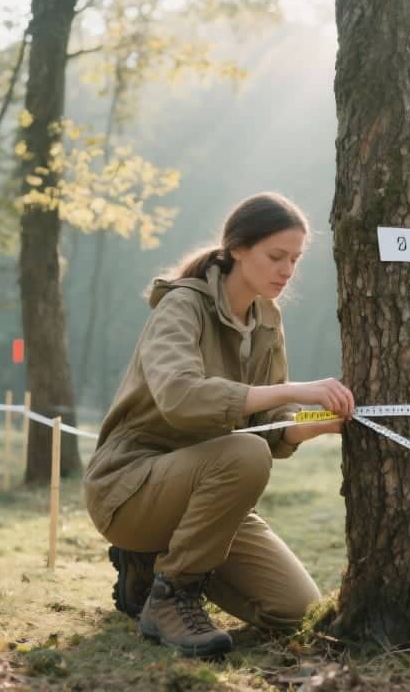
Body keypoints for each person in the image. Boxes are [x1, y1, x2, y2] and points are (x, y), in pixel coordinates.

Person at [84, 192, 354, 658]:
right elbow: (181, 397)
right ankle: (171, 597)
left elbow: (268, 427)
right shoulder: (181, 306)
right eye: (275, 256)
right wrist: (296, 390)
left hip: (209, 493)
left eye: (295, 259)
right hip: (128, 488)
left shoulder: (268, 319)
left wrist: (321, 423)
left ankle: (149, 569)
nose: (287, 270)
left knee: (298, 610)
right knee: (242, 455)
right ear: (236, 249)